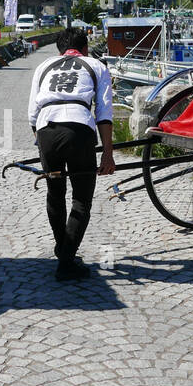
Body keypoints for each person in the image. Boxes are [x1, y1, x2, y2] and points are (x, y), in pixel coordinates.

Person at [27, 27, 115, 281]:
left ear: (59, 51)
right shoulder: (96, 65)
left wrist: (43, 145)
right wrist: (107, 154)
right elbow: (104, 113)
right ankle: (66, 262)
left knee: (55, 193)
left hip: (46, 129)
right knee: (81, 199)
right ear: (85, 48)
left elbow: (32, 113)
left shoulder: (44, 66)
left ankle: (63, 250)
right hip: (79, 130)